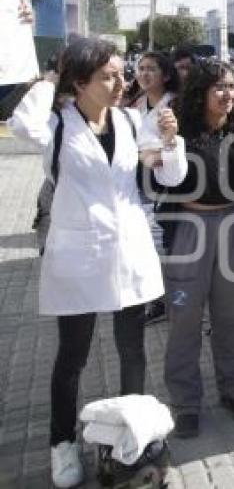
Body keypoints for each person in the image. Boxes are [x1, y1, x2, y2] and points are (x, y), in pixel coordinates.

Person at [9, 38, 187, 488]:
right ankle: (62, 444)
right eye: (108, 75)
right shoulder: (56, 125)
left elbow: (170, 175)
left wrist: (169, 142)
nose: (120, 82)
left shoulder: (130, 120)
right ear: (80, 81)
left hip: (128, 252)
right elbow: (20, 123)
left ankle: (129, 437)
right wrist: (51, 79)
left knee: (133, 350)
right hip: (79, 256)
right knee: (73, 357)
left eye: (121, 73)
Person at [161, 61, 234, 439]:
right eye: (219, 87)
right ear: (201, 92)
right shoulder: (181, 133)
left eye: (232, 87)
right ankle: (186, 403)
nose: (228, 94)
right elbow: (154, 179)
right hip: (189, 230)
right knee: (184, 322)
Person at [129, 51, 182, 324]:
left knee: (163, 243)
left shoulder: (176, 105)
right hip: (136, 182)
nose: (145, 73)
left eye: (152, 69)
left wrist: (159, 157)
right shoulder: (133, 103)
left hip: (166, 183)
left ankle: (169, 299)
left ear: (167, 75)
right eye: (141, 68)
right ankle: (157, 298)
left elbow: (182, 146)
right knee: (146, 244)